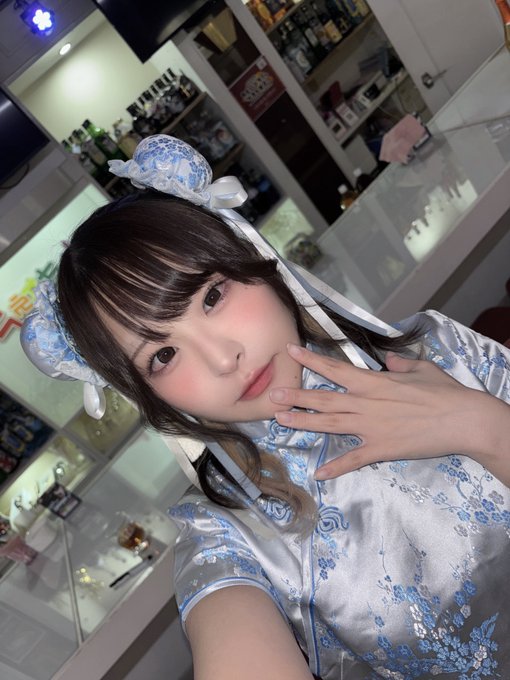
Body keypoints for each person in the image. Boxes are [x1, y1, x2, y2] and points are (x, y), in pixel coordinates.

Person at [21, 136, 510, 680]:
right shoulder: (225, 533)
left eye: (212, 296)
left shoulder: (434, 350)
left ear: (254, 259)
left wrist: (480, 424)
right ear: (146, 395)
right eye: (163, 356)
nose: (223, 359)